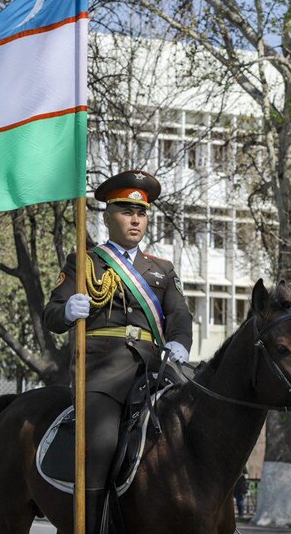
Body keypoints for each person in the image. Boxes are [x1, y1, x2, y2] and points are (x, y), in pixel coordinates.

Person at [43, 170, 193, 534]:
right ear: (108, 216)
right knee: (102, 441)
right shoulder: (86, 261)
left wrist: (179, 342)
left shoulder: (162, 269)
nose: (136, 219)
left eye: (141, 213)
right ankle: (91, 525)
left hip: (154, 368)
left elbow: (180, 314)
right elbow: (51, 314)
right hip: (104, 371)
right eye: (126, 212)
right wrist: (67, 311)